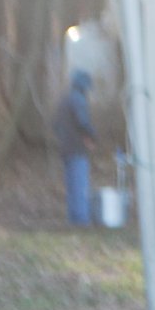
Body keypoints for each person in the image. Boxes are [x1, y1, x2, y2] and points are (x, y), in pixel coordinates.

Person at [52, 69, 98, 226]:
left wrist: (64, 139)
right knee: (80, 185)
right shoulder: (79, 100)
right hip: (78, 149)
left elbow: (55, 126)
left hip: (65, 149)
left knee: (71, 186)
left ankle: (72, 219)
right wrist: (92, 136)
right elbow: (83, 122)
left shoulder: (64, 100)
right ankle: (81, 220)